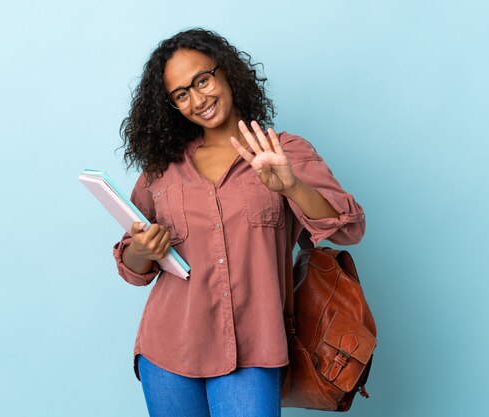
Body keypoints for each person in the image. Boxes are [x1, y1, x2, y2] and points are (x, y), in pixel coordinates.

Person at [113, 28, 365, 417]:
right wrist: (141, 251)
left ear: (226, 72)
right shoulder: (162, 169)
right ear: (172, 106)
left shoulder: (283, 151)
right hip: (167, 350)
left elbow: (349, 228)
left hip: (254, 347)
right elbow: (134, 270)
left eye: (202, 80)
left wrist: (292, 187)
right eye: (182, 94)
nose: (199, 99)